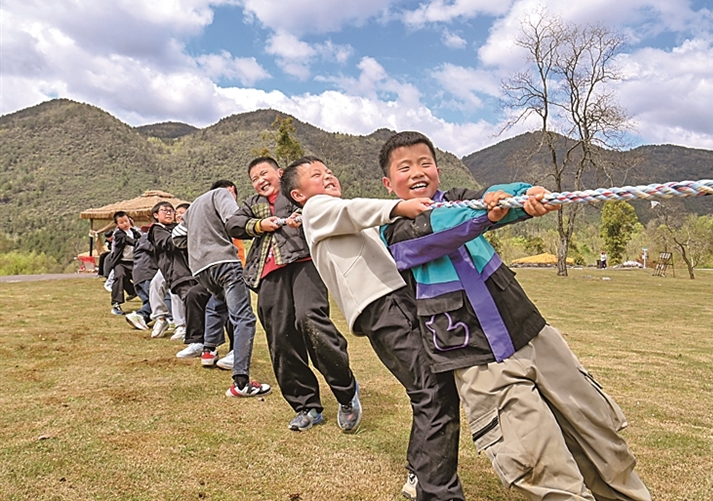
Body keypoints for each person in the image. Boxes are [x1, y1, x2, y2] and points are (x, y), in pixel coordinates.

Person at [378, 131, 652, 501]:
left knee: (600, 436)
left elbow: (493, 197)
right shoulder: (394, 229)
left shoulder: (460, 200)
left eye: (425, 163)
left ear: (438, 171)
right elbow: (439, 230)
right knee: (537, 463)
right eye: (404, 167)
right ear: (388, 182)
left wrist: (526, 195)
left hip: (532, 335)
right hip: (477, 359)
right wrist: (488, 213)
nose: (417, 172)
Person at [282, 156, 465, 501]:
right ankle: (432, 486)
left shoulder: (334, 215)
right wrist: (401, 206)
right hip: (384, 304)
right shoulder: (318, 209)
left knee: (431, 388)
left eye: (329, 170)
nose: (328, 176)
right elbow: (353, 210)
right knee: (432, 390)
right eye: (316, 176)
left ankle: (421, 473)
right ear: (298, 195)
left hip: (390, 302)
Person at [226, 156, 361, 432]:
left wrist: (302, 215)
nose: (260, 181)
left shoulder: (295, 194)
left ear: (280, 173)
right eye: (254, 178)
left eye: (264, 174)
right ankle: (306, 406)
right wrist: (261, 225)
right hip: (267, 273)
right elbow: (233, 225)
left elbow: (322, 202)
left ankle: (346, 392)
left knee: (309, 319)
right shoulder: (253, 205)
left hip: (305, 263)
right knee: (280, 337)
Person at [172, 180, 271, 399]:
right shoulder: (222, 194)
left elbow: (176, 238)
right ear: (229, 191)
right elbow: (234, 221)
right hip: (225, 263)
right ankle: (242, 382)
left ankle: (208, 351)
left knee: (216, 304)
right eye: (234, 196)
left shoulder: (194, 206)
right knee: (244, 318)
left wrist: (200, 243)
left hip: (201, 270)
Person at [147, 201, 218, 359]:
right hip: (178, 274)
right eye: (164, 210)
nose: (169, 213)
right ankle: (198, 342)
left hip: (194, 271)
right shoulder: (156, 229)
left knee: (202, 302)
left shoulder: (176, 228)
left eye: (171, 210)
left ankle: (205, 342)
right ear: (156, 215)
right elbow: (169, 243)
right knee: (192, 302)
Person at [105, 211, 141, 316]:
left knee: (140, 279)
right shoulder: (118, 234)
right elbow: (128, 240)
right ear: (117, 225)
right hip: (120, 262)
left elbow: (142, 239)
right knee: (119, 276)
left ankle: (146, 301)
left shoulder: (134, 232)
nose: (125, 224)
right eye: (121, 222)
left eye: (126, 221)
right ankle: (116, 304)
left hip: (134, 262)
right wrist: (139, 243)